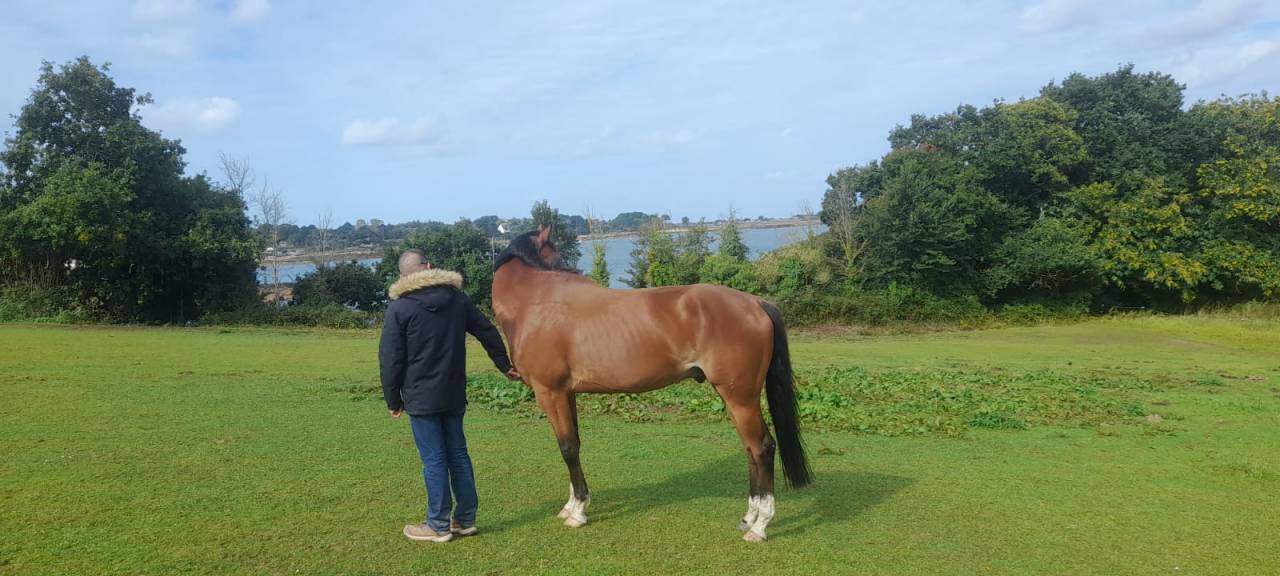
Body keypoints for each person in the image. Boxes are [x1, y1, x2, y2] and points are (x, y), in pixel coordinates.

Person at [379, 249, 520, 542]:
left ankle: (438, 525)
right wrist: (504, 365)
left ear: (403, 276)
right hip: (453, 392)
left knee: (434, 460)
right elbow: (487, 331)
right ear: (429, 266)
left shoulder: (399, 308)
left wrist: (393, 399)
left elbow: (390, 359)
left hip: (420, 397)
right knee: (458, 455)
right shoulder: (457, 300)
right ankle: (465, 519)